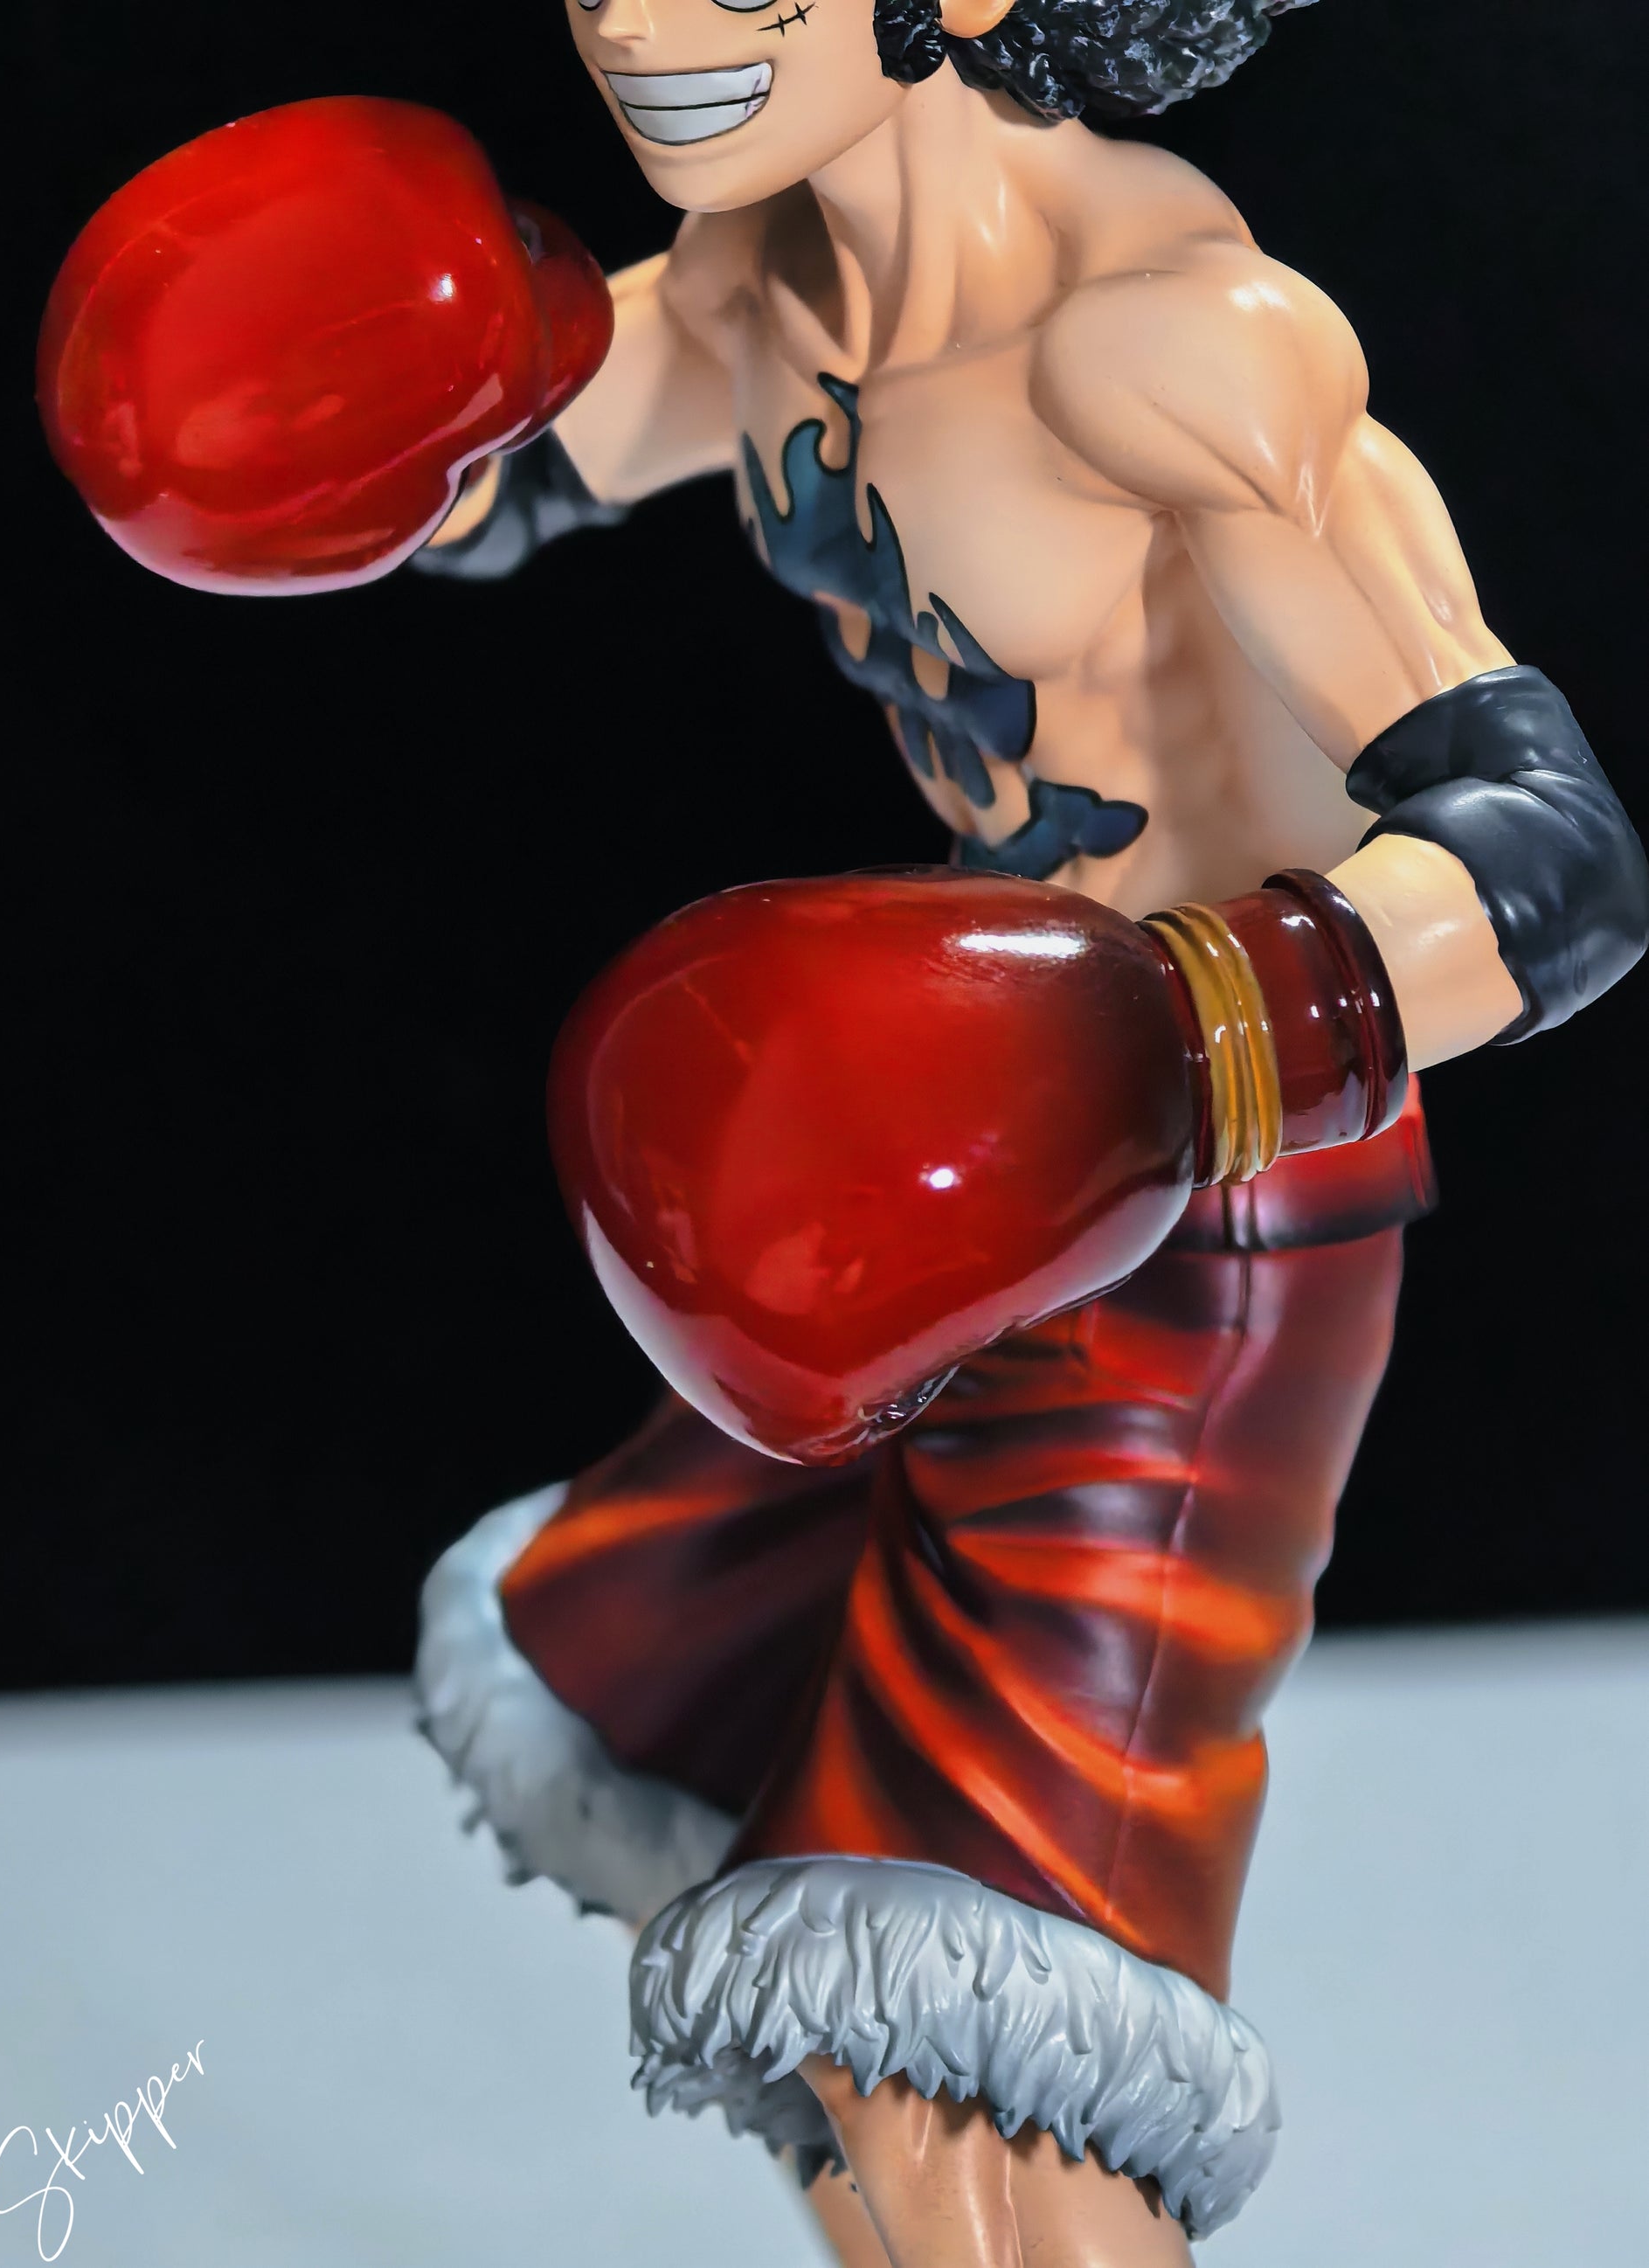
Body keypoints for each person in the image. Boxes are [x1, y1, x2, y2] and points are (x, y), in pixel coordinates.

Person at [412, 0, 1648, 2259]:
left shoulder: (1173, 342)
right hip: (938, 1192)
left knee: (975, 2055)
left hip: (1198, 1218)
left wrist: (1175, 1040)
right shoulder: (759, 284)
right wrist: (316, 375)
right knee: (841, 2005)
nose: (635, 21)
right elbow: (495, 471)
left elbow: (1551, 856)